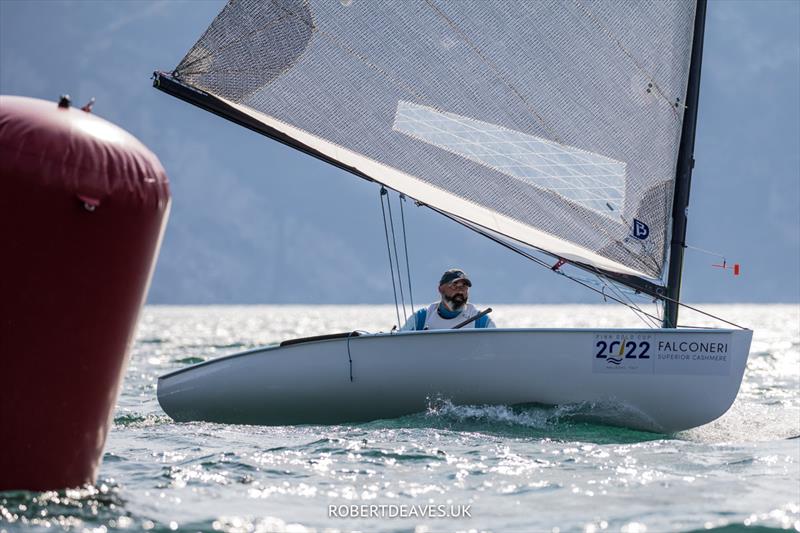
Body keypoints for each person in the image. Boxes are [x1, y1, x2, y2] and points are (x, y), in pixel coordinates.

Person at [401, 269, 495, 331]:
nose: (460, 290)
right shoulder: (421, 317)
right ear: (440, 289)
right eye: (454, 285)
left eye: (464, 286)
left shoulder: (480, 320)